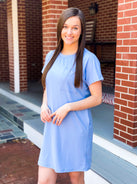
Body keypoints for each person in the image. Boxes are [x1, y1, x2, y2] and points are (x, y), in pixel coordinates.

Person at [38, 7, 103, 184]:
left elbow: (97, 98)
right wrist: (44, 105)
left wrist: (68, 107)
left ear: (81, 31)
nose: (69, 32)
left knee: (75, 177)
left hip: (76, 127)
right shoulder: (51, 56)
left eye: (75, 27)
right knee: (44, 179)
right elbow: (48, 88)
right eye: (66, 26)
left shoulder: (89, 60)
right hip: (53, 126)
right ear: (60, 28)